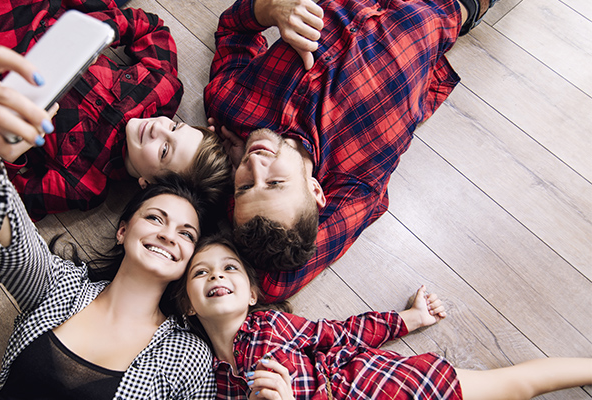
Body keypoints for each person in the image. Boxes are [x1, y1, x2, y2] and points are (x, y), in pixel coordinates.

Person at [0, 48, 217, 398]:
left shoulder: (187, 357)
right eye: (155, 217)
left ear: (191, 259)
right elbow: (6, 234)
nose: (167, 234)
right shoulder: (59, 285)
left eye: (186, 233)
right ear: (123, 229)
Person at [204, 0, 499, 302]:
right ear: (316, 191)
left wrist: (269, 9)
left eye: (245, 186)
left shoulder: (230, 106)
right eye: (274, 183)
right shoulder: (357, 181)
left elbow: (232, 30)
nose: (255, 164)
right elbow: (272, 285)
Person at [174, 235, 592, 399]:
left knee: (515, 386)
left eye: (229, 267)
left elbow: (342, 333)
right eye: (200, 272)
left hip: (371, 388)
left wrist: (411, 318)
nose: (216, 275)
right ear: (189, 304)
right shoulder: (210, 380)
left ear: (252, 294)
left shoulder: (269, 325)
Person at [0, 0, 230, 221]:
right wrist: (100, 32)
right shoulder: (163, 89)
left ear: (148, 185)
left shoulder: (83, 185)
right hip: (61, 11)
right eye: (175, 126)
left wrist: (10, 152)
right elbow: (152, 28)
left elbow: (6, 200)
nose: (159, 127)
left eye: (164, 150)